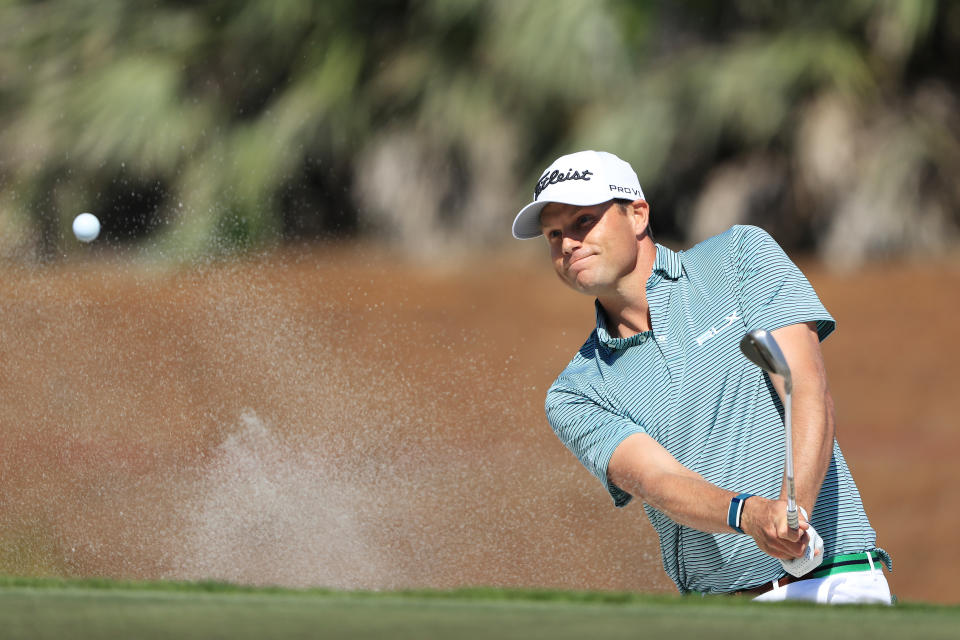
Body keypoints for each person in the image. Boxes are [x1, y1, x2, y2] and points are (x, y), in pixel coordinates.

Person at [512, 150, 893, 604]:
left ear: (637, 215)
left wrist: (795, 511)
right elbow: (656, 479)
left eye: (582, 222)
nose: (568, 244)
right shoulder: (576, 391)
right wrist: (749, 515)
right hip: (721, 614)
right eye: (554, 235)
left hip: (836, 583)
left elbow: (806, 386)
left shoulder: (739, 257)